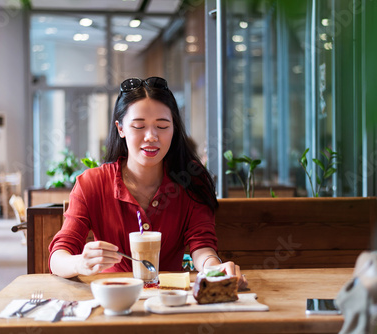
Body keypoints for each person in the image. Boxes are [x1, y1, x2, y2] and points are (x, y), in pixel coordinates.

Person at [49, 77, 247, 290]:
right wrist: (80, 262)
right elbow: (58, 257)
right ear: (121, 128)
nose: (151, 136)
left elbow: (202, 247)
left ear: (174, 129)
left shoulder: (190, 180)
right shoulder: (92, 183)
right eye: (139, 126)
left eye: (162, 126)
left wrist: (214, 269)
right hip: (113, 296)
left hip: (169, 298)